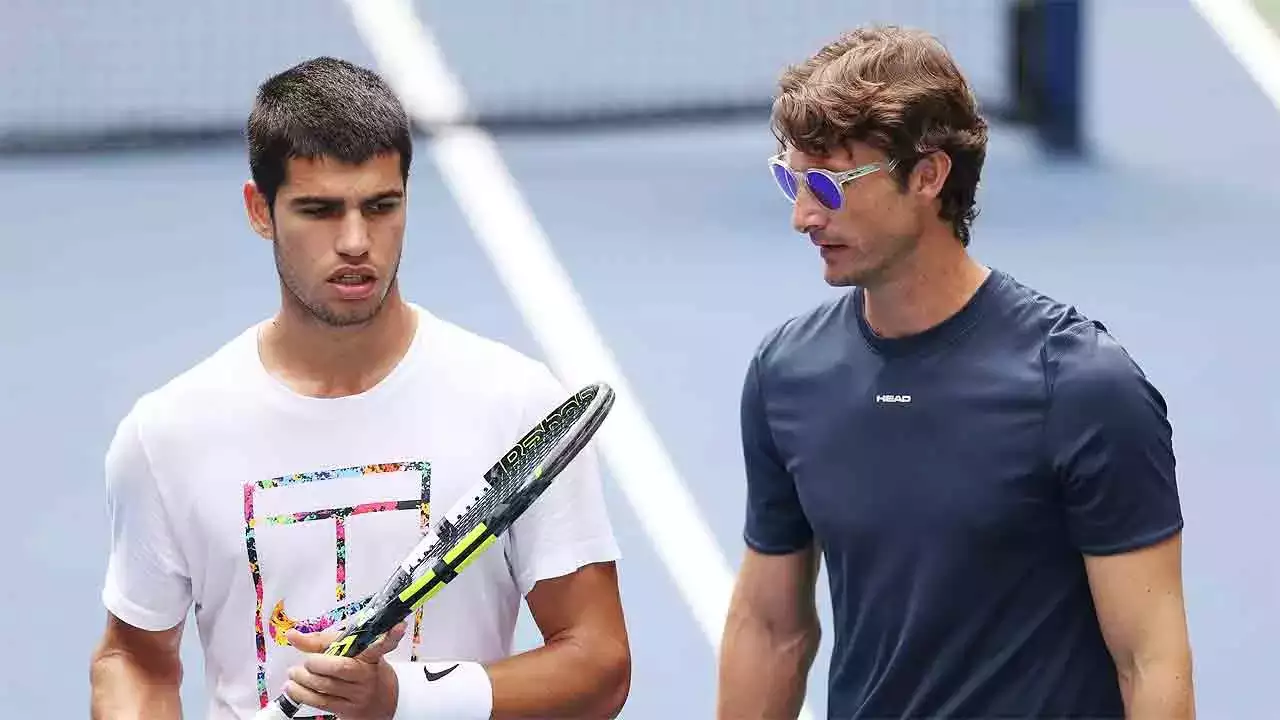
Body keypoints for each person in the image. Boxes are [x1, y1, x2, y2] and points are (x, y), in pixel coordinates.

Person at [89, 56, 630, 720]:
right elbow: (133, 659)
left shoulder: (514, 403)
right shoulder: (166, 436)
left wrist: (401, 699)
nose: (355, 241)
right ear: (261, 210)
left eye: (381, 206)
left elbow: (599, 664)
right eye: (320, 210)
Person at [716, 26, 1194, 720]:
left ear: (929, 176)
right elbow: (771, 629)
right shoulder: (786, 374)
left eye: (827, 183)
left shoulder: (1083, 387)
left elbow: (1149, 659)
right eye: (791, 179)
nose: (802, 215)